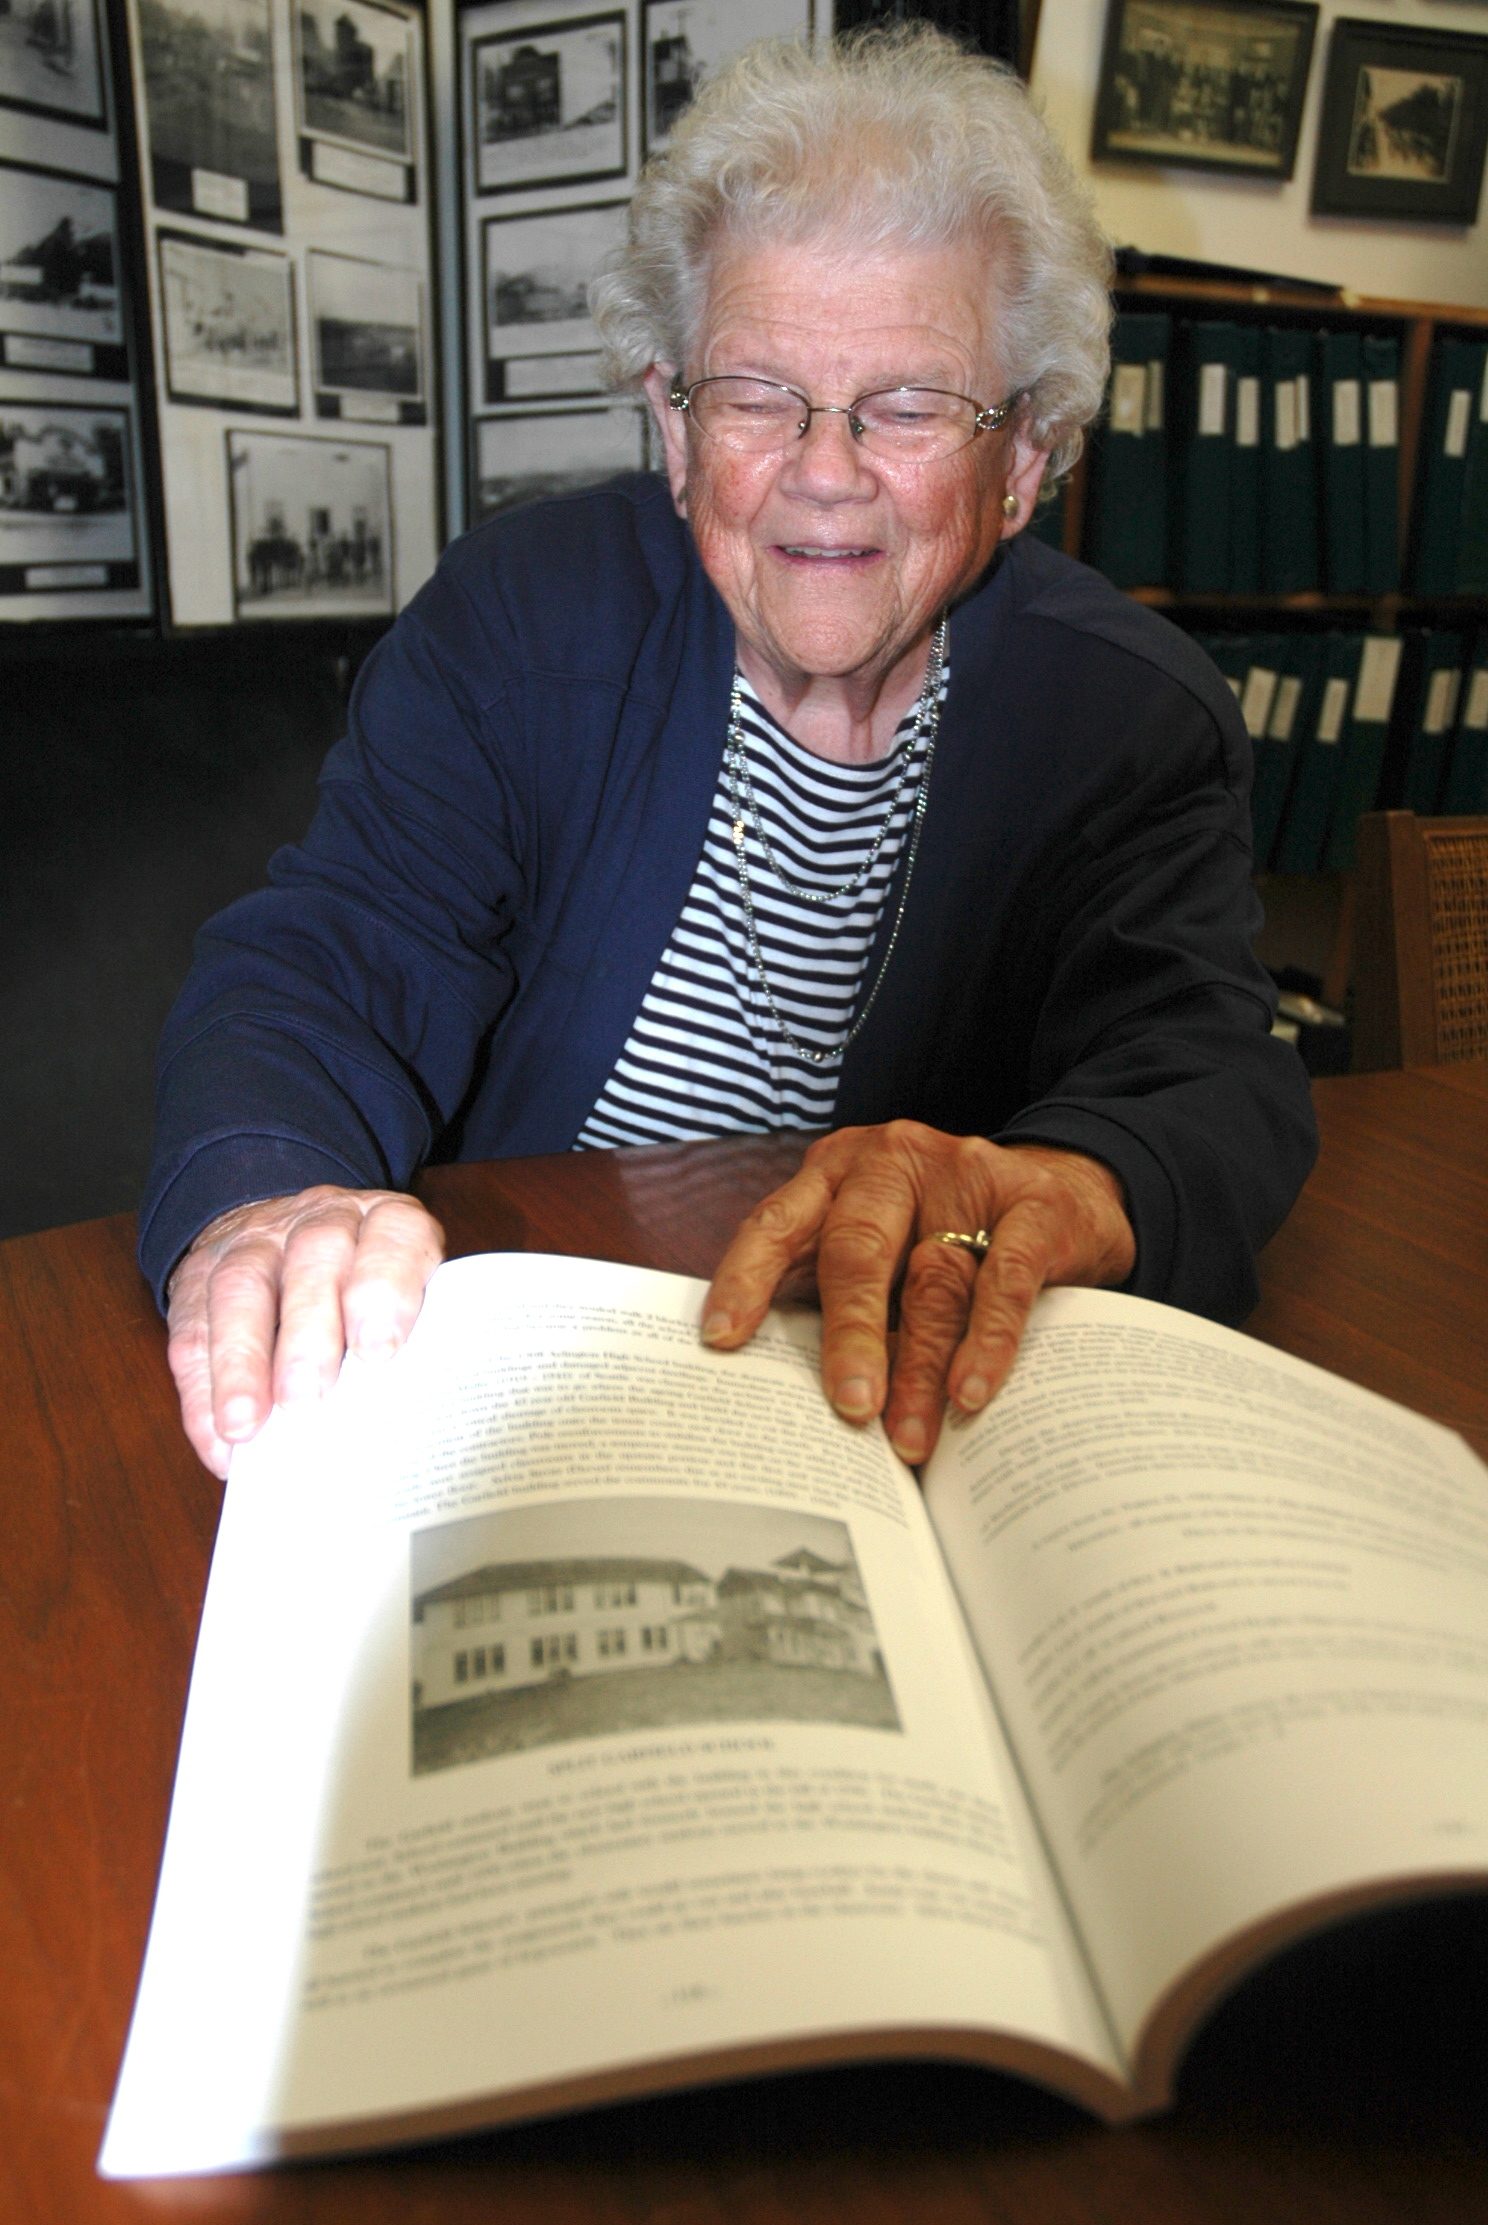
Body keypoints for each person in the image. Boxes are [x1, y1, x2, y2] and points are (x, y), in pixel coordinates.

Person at [144, 25, 1316, 1479]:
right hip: (522, 1377)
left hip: (889, 1397)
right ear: (674, 425)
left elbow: (1203, 1070)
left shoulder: (1133, 720)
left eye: (908, 405)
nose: (825, 471)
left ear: (1024, 459)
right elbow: (331, 956)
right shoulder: (521, 621)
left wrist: (1067, 1182)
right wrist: (268, 1202)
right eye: (756, 393)